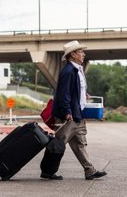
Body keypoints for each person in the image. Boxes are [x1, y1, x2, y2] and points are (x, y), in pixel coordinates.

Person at [42, 40, 107, 180]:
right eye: (80, 51)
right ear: (72, 54)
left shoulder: (77, 69)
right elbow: (63, 94)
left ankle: (90, 170)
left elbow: (74, 90)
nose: (84, 54)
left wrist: (84, 94)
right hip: (69, 116)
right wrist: (67, 112)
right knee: (57, 145)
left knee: (80, 144)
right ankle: (47, 171)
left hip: (78, 114)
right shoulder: (68, 71)